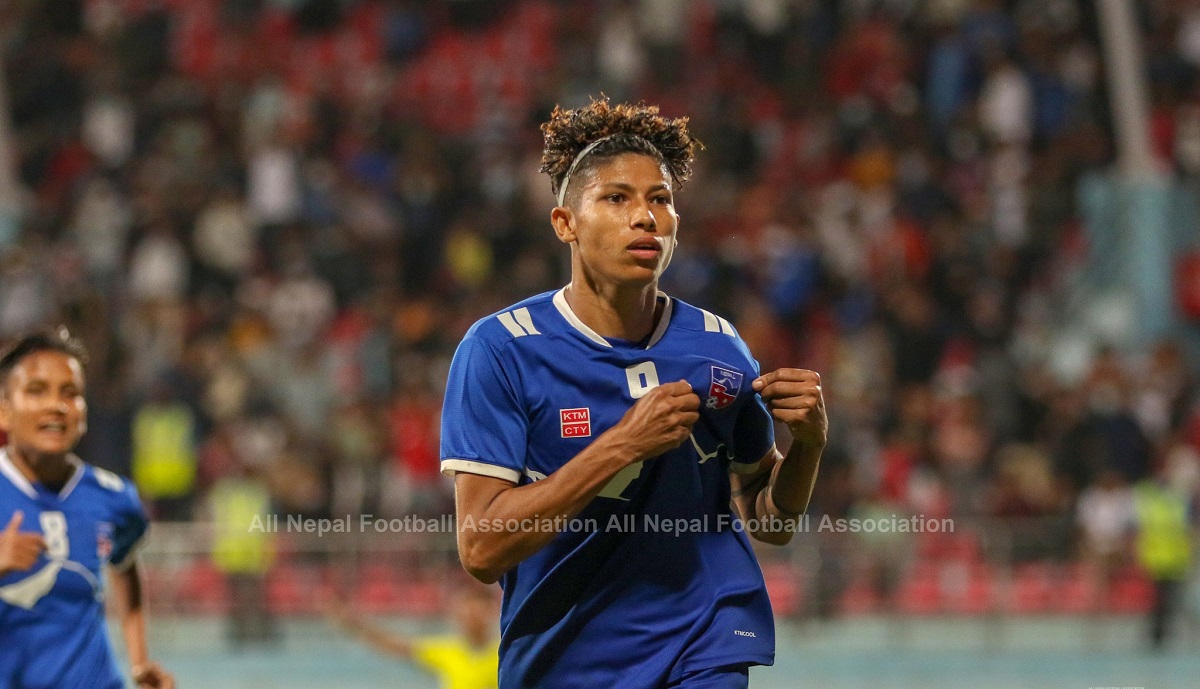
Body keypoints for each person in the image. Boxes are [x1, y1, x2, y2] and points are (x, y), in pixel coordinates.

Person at [441, 98, 827, 688]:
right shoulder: (501, 349)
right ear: (565, 223)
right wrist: (622, 445)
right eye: (616, 198)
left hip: (704, 642)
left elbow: (768, 518)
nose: (645, 217)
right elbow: (481, 550)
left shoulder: (718, 345)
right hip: (563, 658)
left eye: (660, 199)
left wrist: (809, 445)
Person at [0, 328, 174, 689]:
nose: (57, 405)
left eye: (71, 393)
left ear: (84, 413)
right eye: (37, 390)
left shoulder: (114, 496)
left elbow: (124, 563)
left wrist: (139, 660)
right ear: (4, 412)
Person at [323, 584, 499, 689]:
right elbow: (396, 645)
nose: (468, 620)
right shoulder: (448, 651)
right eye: (464, 614)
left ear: (490, 613)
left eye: (475, 614)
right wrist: (353, 623)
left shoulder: (502, 654)